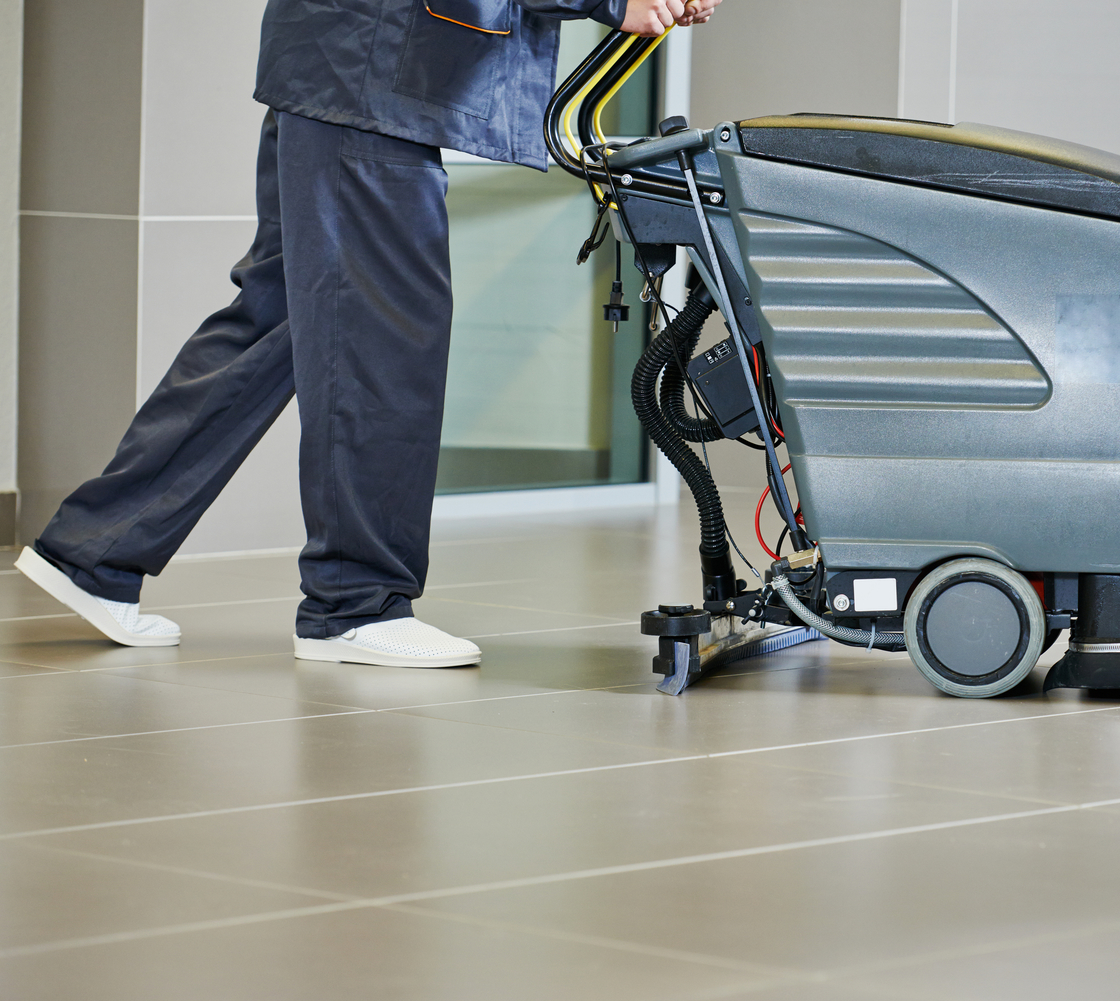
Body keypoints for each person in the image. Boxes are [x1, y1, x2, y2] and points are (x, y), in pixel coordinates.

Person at [14, 0, 721, 669]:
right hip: (370, 79)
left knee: (277, 328)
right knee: (387, 339)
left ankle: (94, 552)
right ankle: (357, 604)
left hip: (345, 67)